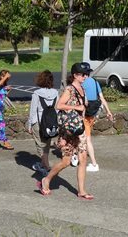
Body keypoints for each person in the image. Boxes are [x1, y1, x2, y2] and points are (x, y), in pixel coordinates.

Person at [37, 63, 94, 200]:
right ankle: (46, 180)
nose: (85, 76)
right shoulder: (70, 89)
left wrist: (84, 108)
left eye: (87, 74)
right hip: (68, 131)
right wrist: (77, 107)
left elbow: (81, 107)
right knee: (66, 162)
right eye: (83, 74)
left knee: (83, 159)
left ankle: (81, 190)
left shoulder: (83, 89)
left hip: (78, 129)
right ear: (75, 75)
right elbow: (59, 105)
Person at [81, 62, 114, 172]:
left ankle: (94, 164)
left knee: (87, 138)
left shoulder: (81, 84)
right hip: (92, 114)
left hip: (83, 115)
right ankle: (76, 157)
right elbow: (102, 99)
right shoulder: (95, 82)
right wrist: (108, 111)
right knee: (83, 137)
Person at [28, 70, 58, 176]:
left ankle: (46, 166)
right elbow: (57, 109)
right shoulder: (55, 93)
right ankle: (44, 163)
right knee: (47, 145)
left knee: (40, 144)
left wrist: (30, 124)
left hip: (38, 122)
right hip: (50, 123)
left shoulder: (37, 93)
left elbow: (33, 110)